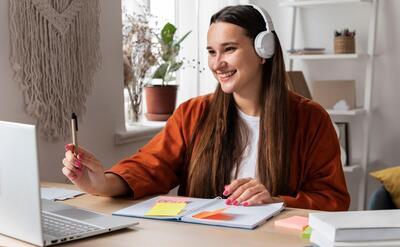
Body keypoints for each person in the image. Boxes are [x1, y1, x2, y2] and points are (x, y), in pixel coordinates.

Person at [62, 5, 350, 211]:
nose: (217, 63)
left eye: (229, 49)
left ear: (265, 51)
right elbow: (150, 167)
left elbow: (332, 200)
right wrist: (100, 183)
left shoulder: (311, 119)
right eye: (212, 52)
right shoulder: (193, 114)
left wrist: (275, 200)